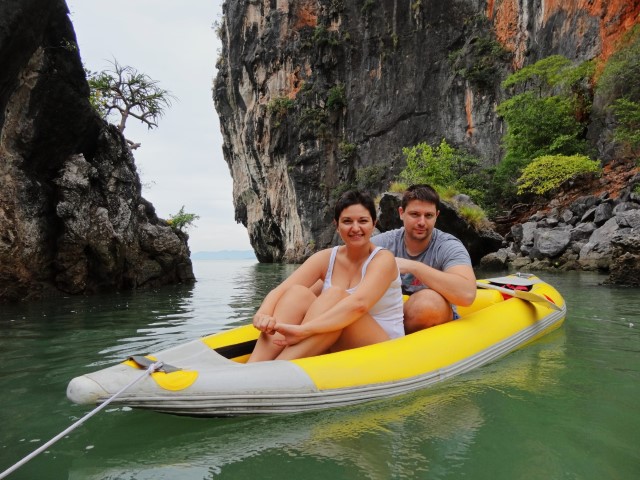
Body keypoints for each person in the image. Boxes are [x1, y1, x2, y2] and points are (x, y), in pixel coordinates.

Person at [247, 191, 404, 362]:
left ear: (374, 224)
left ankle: (276, 370)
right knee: (297, 293)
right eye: (347, 221)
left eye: (363, 221)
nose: (356, 228)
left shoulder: (383, 259)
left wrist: (305, 330)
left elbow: (358, 305)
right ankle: (254, 365)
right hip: (333, 338)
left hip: (381, 346)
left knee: (335, 296)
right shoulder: (326, 258)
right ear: (337, 225)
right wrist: (262, 315)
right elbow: (281, 290)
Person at [372, 184, 476, 333]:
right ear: (401, 213)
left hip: (435, 319)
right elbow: (342, 260)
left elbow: (467, 295)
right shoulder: (382, 243)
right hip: (389, 318)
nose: (421, 222)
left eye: (428, 216)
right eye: (415, 214)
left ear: (436, 216)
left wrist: (413, 267)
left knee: (427, 304)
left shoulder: (448, 246)